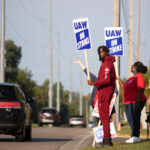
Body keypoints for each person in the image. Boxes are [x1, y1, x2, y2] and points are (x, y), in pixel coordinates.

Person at [87, 45, 116, 147]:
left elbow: (107, 79)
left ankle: (107, 141)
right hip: (103, 92)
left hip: (105, 93)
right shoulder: (105, 63)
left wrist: (94, 83)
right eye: (99, 52)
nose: (100, 54)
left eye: (102, 52)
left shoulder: (107, 64)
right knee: (104, 118)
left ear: (107, 52)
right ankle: (107, 140)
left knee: (104, 118)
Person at [117, 61, 147, 143]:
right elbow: (124, 87)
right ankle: (134, 135)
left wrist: (137, 102)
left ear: (136, 68)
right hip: (127, 102)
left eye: (133, 67)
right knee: (130, 119)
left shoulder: (139, 77)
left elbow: (141, 90)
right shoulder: (131, 78)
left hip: (136, 101)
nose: (131, 68)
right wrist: (118, 79)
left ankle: (135, 136)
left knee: (135, 118)